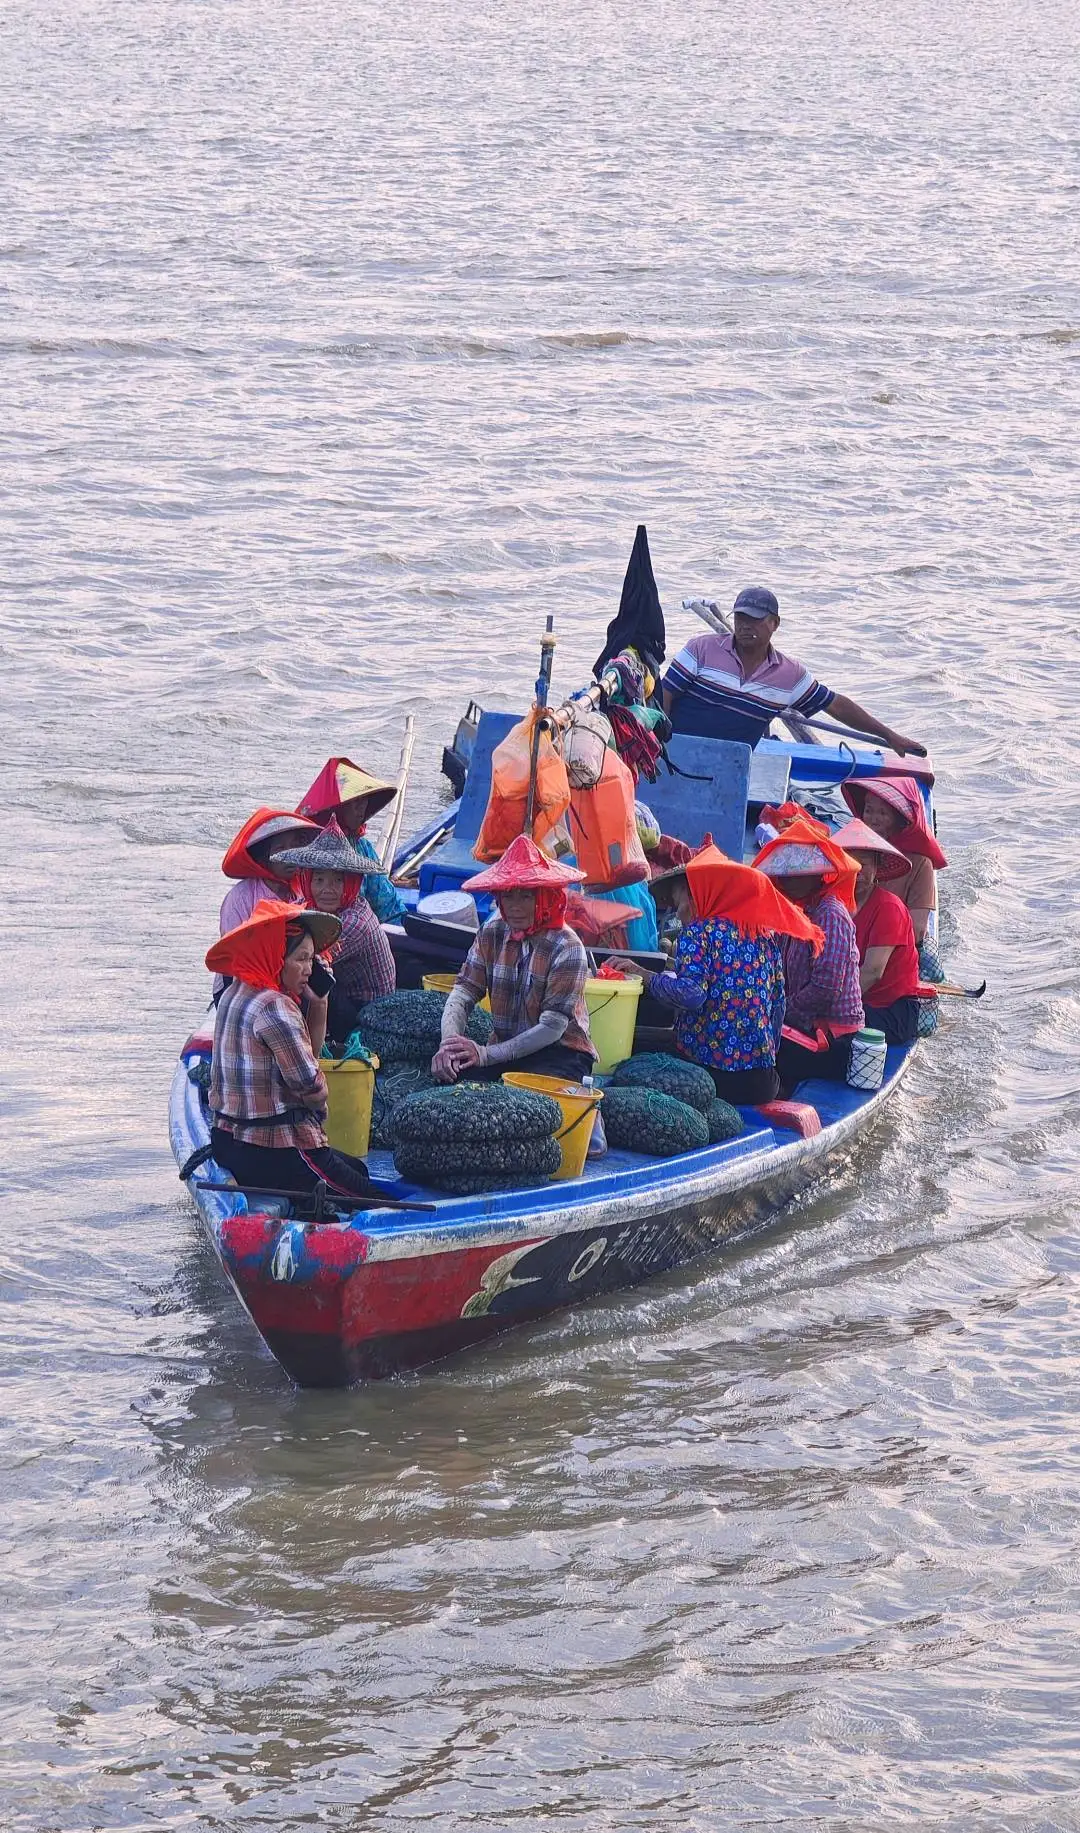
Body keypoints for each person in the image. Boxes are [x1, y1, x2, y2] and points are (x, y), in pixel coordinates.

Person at [607, 844, 824, 1106]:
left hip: (710, 1077)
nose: (677, 914)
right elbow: (778, 1006)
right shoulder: (763, 937)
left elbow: (692, 995)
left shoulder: (698, 933)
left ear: (697, 897)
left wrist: (645, 976)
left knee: (632, 1052)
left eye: (678, 904)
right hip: (762, 1082)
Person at [205, 900, 377, 1202]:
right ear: (275, 958)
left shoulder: (234, 990)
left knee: (355, 1170)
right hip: (274, 1150)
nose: (309, 970)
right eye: (300, 959)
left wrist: (319, 1003)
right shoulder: (275, 1006)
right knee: (367, 1194)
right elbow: (314, 1089)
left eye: (312, 960)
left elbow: (304, 1066)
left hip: (229, 1142)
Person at [660, 586, 926, 756]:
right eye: (740, 618)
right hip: (677, 750)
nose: (745, 626)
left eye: (754, 620)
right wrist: (659, 742)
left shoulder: (789, 676)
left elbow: (837, 706)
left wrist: (889, 735)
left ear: (775, 623)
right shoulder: (702, 648)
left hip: (731, 765)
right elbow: (665, 695)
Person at [432, 835, 597, 1084]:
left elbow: (552, 1027)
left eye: (526, 896)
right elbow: (462, 994)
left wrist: (486, 1055)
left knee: (531, 1101)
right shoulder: (492, 932)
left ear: (545, 898)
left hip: (560, 1052)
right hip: (504, 1047)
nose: (515, 907)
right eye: (508, 897)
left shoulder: (568, 947)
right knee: (452, 1078)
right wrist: (449, 1046)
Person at [754, 816, 864, 1089]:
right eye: (784, 875)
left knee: (760, 1059)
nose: (787, 881)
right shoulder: (795, 914)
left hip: (831, 1039)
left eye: (796, 875)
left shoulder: (831, 915)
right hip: (799, 1025)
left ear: (816, 876)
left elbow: (826, 987)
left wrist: (781, 1011)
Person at [271, 819, 396, 1046]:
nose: (327, 889)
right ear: (308, 881)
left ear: (350, 885)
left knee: (303, 973)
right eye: (319, 880)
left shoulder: (355, 921)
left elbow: (308, 958)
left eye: (337, 881)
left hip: (369, 1013)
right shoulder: (312, 904)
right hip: (346, 995)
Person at [834, 818, 922, 1045]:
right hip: (854, 1001)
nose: (859, 872)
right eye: (852, 863)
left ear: (876, 869)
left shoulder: (888, 908)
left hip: (890, 1010)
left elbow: (873, 972)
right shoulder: (833, 905)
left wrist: (831, 1007)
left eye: (866, 865)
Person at [295, 755, 407, 923]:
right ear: (337, 807)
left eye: (364, 802)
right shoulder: (306, 847)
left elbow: (387, 904)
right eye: (355, 803)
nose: (361, 809)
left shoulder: (362, 847)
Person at [841, 775, 947, 946]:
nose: (873, 820)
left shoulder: (920, 864)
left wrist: (876, 951)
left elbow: (917, 929)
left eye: (883, 813)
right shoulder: (851, 847)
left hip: (891, 946)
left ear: (900, 820)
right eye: (868, 811)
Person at [218, 808, 323, 934]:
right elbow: (231, 947)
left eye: (295, 846)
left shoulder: (306, 888)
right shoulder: (241, 897)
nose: (290, 855)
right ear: (264, 856)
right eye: (280, 848)